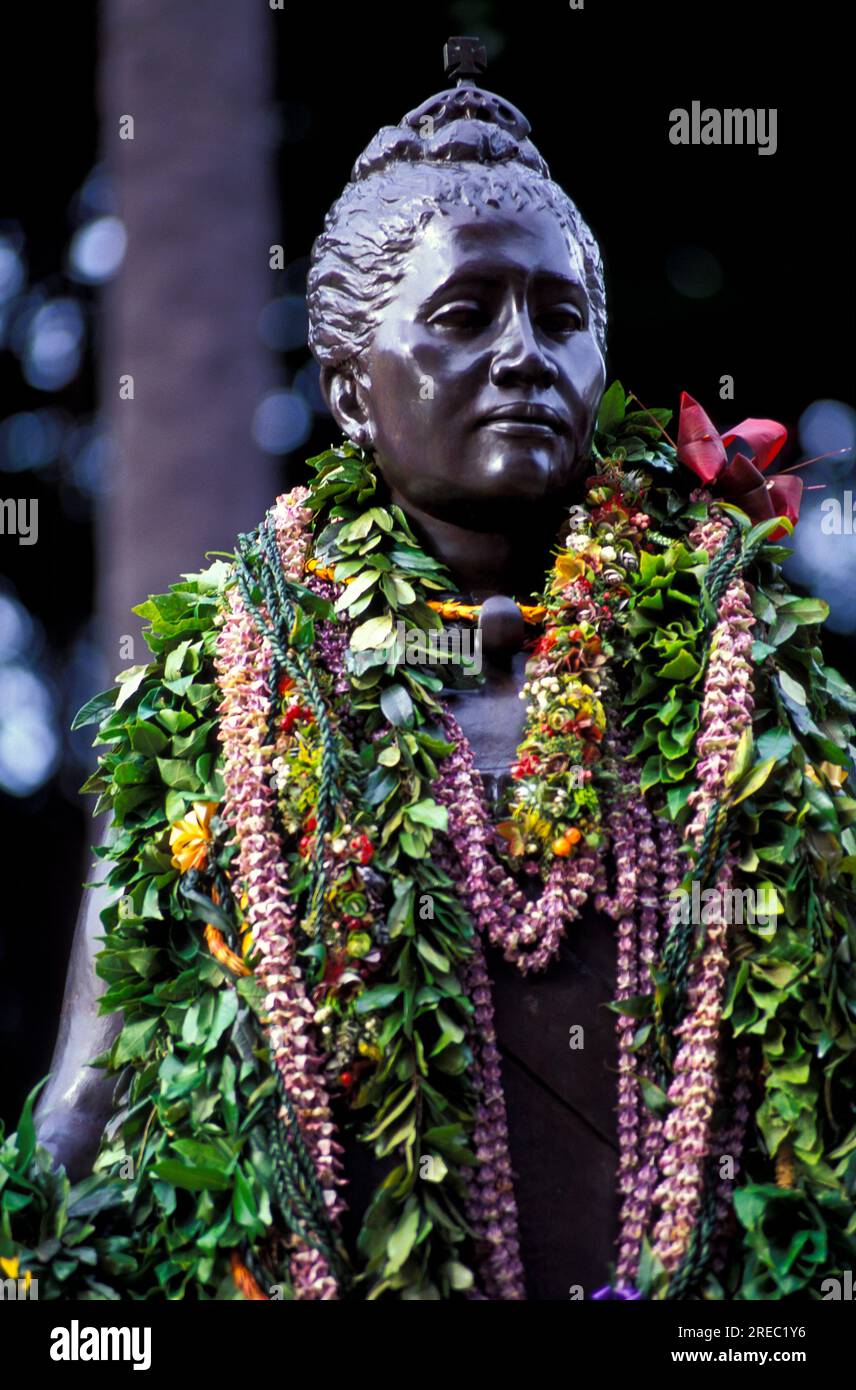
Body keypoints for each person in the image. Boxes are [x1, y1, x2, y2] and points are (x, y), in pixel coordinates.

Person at [9, 39, 854, 1302]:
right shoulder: (210, 707)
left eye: (560, 320)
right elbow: (89, 1103)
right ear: (350, 387)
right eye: (465, 315)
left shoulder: (745, 684)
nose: (524, 354)